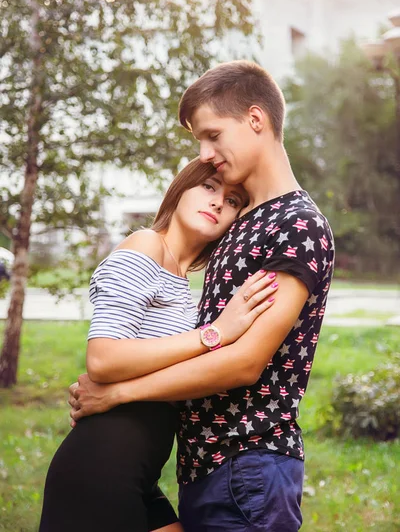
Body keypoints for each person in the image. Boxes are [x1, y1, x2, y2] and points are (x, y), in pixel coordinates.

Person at [69, 60, 335, 531]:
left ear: (256, 120)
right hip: (203, 469)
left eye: (213, 135)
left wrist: (117, 394)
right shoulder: (244, 221)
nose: (206, 153)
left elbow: (244, 362)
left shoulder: (296, 224)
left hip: (249, 463)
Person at [39, 157, 278, 532]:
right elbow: (103, 357)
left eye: (233, 201)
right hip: (101, 466)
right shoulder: (146, 244)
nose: (218, 202)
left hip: (138, 473)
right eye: (209, 187)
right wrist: (214, 333)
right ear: (179, 190)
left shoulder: (184, 282)